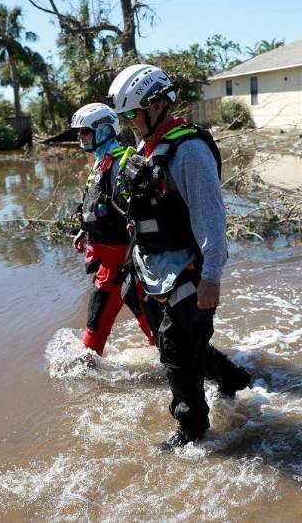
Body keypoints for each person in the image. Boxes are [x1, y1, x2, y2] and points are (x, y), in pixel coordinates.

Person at [106, 64, 251, 449]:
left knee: (177, 354)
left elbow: (211, 218)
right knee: (179, 347)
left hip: (189, 271)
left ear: (156, 105)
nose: (127, 123)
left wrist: (213, 276)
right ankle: (233, 378)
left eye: (130, 115)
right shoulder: (144, 148)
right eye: (122, 117)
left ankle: (193, 432)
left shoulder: (189, 151)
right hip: (153, 269)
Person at [70, 103, 155, 365]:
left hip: (131, 268)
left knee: (159, 332)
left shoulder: (123, 164)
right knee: (94, 331)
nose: (80, 137)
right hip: (108, 266)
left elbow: (143, 213)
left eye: (84, 131)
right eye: (79, 132)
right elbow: (96, 204)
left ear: (104, 129)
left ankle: (198, 374)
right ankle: (82, 376)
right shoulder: (100, 164)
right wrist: (84, 231)